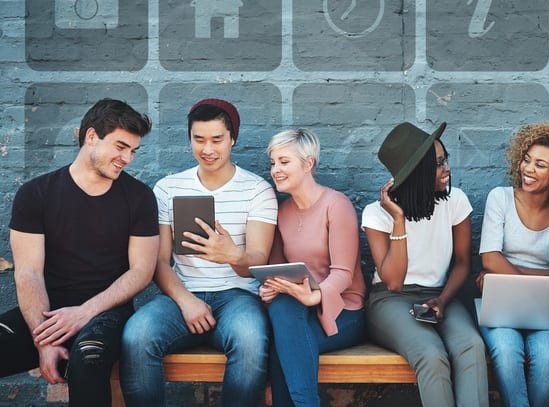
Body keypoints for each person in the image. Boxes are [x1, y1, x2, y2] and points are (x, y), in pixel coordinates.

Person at [120, 99, 278, 407]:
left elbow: (257, 262)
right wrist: (186, 300)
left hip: (238, 297)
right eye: (199, 139)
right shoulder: (168, 188)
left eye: (217, 139)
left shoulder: (257, 190)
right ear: (189, 138)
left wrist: (233, 255)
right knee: (136, 337)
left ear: (233, 138)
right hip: (181, 295)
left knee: (250, 340)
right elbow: (159, 262)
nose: (207, 149)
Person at [0, 98, 157, 406]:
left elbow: (142, 271)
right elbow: (28, 273)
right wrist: (42, 340)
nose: (127, 158)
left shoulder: (139, 197)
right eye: (120, 146)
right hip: (46, 312)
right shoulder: (35, 194)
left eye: (133, 151)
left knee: (89, 358)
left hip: (106, 313)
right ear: (90, 137)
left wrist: (84, 312)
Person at [362, 122, 489, 407]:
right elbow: (393, 281)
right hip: (390, 300)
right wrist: (398, 219)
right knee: (431, 354)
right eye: (439, 163)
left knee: (471, 345)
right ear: (417, 172)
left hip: (441, 294)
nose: (447, 169)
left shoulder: (455, 202)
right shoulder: (376, 214)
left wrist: (443, 300)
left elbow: (461, 263)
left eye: (446, 160)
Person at [475, 122, 549, 407]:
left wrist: (503, 274)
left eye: (540, 165)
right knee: (506, 353)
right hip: (499, 303)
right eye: (527, 160)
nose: (528, 169)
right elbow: (489, 257)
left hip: (545, 310)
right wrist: (539, 279)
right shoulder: (500, 198)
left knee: (548, 359)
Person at [260, 128, 367, 407]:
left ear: (308, 164)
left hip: (343, 310)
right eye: (273, 163)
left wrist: (315, 297)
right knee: (283, 311)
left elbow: (343, 274)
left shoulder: (336, 205)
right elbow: (276, 269)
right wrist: (270, 288)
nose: (275, 170)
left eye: (284, 162)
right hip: (298, 309)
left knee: (286, 347)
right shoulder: (282, 211)